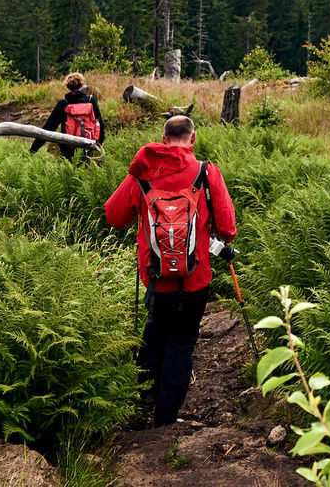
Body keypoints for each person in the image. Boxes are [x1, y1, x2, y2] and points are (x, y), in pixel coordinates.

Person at [103, 115, 237, 427]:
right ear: (193, 139)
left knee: (154, 336)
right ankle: (166, 417)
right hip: (195, 277)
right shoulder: (207, 172)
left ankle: (139, 407)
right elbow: (228, 228)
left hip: (154, 276)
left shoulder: (141, 175)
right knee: (182, 340)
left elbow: (113, 216)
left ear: (164, 140)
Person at [31, 72, 105, 160]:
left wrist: (33, 149)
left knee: (70, 168)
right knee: (85, 167)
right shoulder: (90, 100)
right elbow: (99, 122)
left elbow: (50, 126)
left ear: (67, 86)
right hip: (88, 142)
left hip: (67, 144)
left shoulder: (63, 103)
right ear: (82, 85)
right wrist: (100, 141)